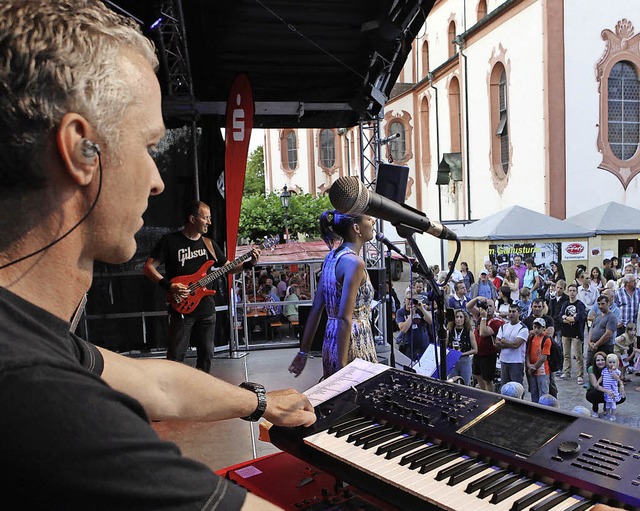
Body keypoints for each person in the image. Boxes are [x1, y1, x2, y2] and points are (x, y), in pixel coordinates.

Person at [0, 2, 316, 510]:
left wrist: (259, 402)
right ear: (82, 150)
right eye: (149, 145)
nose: (157, 179)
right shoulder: (41, 400)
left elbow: (157, 383)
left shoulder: (26, 337)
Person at [144, 200, 261, 373]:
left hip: (206, 308)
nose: (209, 222)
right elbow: (148, 267)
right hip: (181, 307)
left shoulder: (209, 244)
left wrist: (249, 263)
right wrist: (169, 286)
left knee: (206, 355)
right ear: (192, 219)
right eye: (206, 218)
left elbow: (228, 267)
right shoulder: (170, 241)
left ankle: (202, 390)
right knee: (176, 356)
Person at [289, 210, 377, 378]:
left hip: (331, 339)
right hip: (353, 340)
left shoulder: (331, 257)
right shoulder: (354, 262)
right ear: (357, 228)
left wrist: (303, 352)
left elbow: (316, 308)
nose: (373, 221)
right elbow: (345, 317)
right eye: (368, 218)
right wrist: (343, 366)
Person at [467, 297, 503, 392]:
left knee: (487, 379)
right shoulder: (481, 315)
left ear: (495, 308)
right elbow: (468, 306)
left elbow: (482, 333)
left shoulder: (496, 321)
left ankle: (490, 396)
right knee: (477, 375)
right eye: (487, 305)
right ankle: (484, 393)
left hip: (488, 354)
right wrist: (477, 299)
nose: (488, 308)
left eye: (491, 306)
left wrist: (483, 317)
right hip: (478, 352)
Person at [495, 304, 529, 387]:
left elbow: (516, 344)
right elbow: (497, 342)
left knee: (516, 388)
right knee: (504, 387)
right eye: (509, 311)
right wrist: (509, 343)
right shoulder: (504, 326)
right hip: (504, 361)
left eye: (514, 311)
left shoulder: (523, 328)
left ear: (519, 313)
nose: (511, 314)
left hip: (516, 362)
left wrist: (504, 341)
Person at [558, 283, 586, 384]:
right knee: (566, 354)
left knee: (578, 355)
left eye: (574, 291)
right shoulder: (565, 304)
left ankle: (580, 375)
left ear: (577, 292)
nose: (572, 293)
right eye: (570, 291)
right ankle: (567, 372)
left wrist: (567, 318)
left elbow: (578, 318)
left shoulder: (580, 305)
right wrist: (569, 319)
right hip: (565, 332)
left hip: (576, 333)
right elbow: (560, 317)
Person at [395, 288, 433, 361]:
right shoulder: (401, 312)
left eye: (413, 300)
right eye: (409, 299)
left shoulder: (420, 310)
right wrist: (411, 315)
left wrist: (422, 309)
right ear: (405, 299)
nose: (410, 302)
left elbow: (431, 321)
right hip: (409, 347)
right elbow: (403, 329)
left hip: (423, 345)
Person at [446, 309, 477, 385]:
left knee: (466, 384)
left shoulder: (469, 332)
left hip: (465, 360)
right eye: (457, 317)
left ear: (464, 319)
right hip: (452, 360)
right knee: (452, 384)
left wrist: (462, 354)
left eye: (461, 317)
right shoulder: (449, 332)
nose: (459, 319)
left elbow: (475, 350)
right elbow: (444, 347)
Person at [526, 318, 551, 403]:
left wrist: (533, 367)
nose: (536, 329)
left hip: (542, 370)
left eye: (539, 327)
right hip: (533, 369)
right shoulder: (531, 337)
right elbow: (527, 353)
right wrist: (529, 365)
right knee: (534, 393)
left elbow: (543, 357)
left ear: (544, 328)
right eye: (535, 327)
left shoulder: (546, 339)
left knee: (543, 394)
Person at [599, 353, 625, 421]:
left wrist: (613, 371)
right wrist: (597, 383)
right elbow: (602, 377)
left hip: (613, 390)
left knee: (613, 404)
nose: (612, 364)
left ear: (616, 363)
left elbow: (617, 378)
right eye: (610, 362)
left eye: (614, 362)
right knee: (607, 404)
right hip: (607, 391)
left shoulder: (617, 371)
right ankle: (607, 413)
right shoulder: (604, 370)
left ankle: (613, 415)